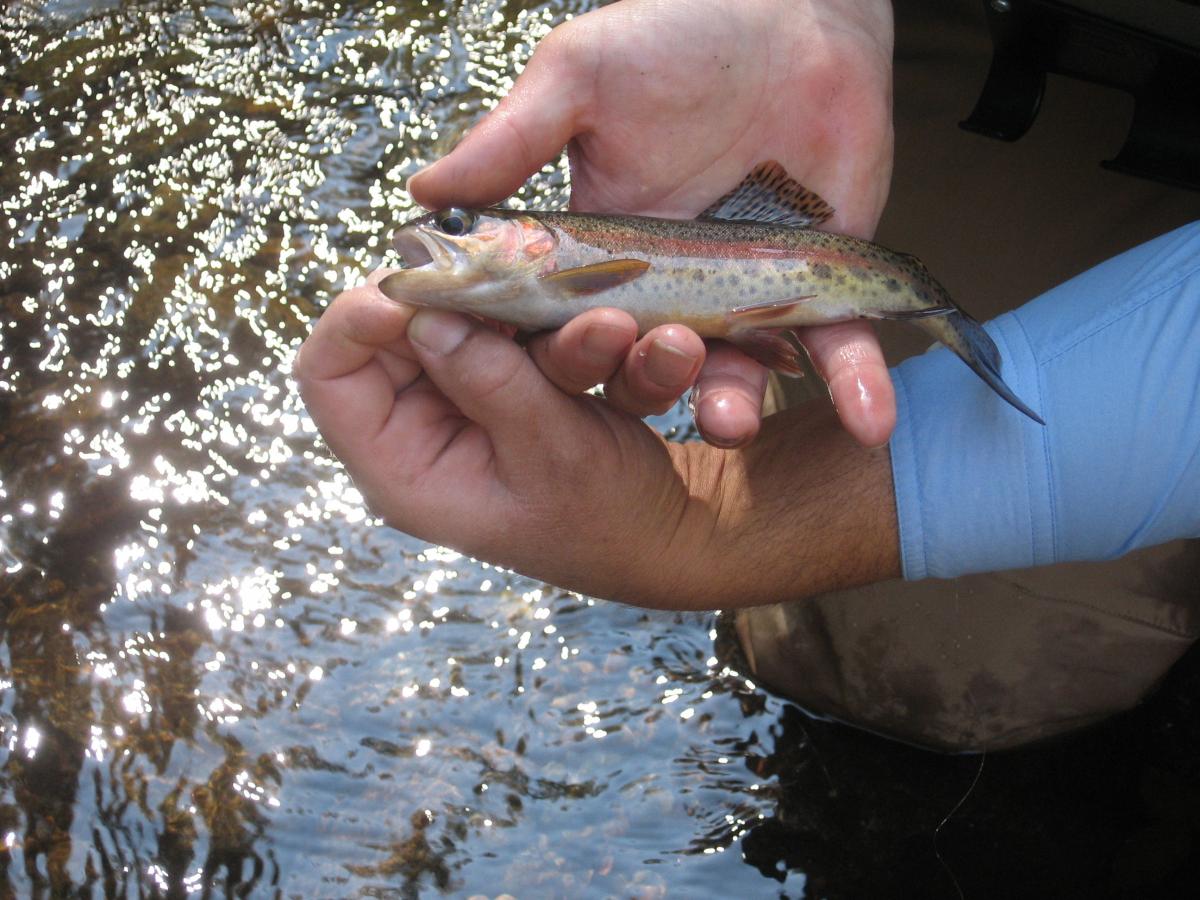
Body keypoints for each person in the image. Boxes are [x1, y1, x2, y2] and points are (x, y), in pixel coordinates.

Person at [295, 0, 1200, 750]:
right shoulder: (549, 268)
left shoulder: (566, 265)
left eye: (463, 234)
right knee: (867, 651)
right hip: (967, 32)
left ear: (528, 244)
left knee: (987, 655)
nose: (441, 247)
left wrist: (692, 536)